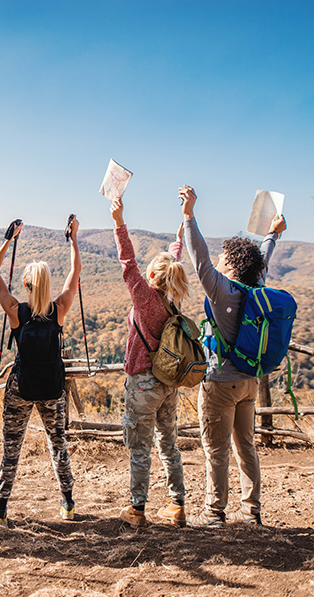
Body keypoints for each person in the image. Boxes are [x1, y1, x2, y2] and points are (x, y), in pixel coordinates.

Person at [179, 184, 287, 527]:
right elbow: (264, 257)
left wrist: (188, 215)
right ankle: (251, 511)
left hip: (220, 385)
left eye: (225, 258)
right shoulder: (257, 287)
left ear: (232, 265)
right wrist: (272, 234)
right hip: (249, 383)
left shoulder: (221, 289)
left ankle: (214, 513)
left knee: (216, 451)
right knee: (246, 448)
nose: (220, 261)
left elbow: (199, 260)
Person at [0, 216, 81, 524]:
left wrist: (9, 239)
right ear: (48, 285)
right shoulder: (60, 309)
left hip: (20, 388)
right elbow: (75, 273)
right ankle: (67, 503)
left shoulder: (17, 312)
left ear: (26, 284)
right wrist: (73, 239)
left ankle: (0, 507)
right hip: (52, 388)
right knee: (58, 443)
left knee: (11, 447)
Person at [111, 198, 190, 527]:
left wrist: (119, 221)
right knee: (168, 443)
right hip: (168, 384)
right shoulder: (172, 296)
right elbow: (171, 263)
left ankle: (137, 510)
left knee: (140, 447)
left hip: (142, 382)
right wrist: (179, 240)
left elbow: (128, 262)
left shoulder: (145, 298)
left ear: (153, 275)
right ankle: (176, 505)